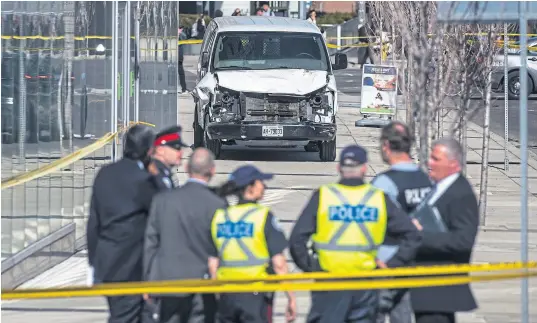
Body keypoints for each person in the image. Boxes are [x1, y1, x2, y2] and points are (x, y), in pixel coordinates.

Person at [289, 144, 422, 323]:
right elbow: (412, 235)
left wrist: (313, 267)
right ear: (365, 168)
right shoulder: (378, 198)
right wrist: (391, 264)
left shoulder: (323, 196)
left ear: (339, 168)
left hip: (329, 281)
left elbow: (296, 240)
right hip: (364, 284)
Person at [143, 147, 226, 323]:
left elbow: (150, 244)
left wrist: (147, 281)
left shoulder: (163, 201)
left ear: (187, 168)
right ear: (212, 170)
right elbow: (222, 248)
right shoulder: (218, 205)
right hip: (202, 284)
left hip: (168, 282)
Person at [86, 124, 157, 323]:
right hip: (132, 266)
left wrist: (94, 263)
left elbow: (94, 223)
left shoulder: (105, 174)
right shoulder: (144, 180)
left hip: (107, 262)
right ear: (148, 151)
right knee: (126, 316)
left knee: (125, 313)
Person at [210, 165, 297, 323]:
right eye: (260, 182)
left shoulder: (220, 217)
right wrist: (291, 297)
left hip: (226, 294)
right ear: (250, 187)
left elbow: (213, 263)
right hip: (255, 294)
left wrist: (217, 294)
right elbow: (279, 264)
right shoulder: (262, 217)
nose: (264, 186)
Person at [410, 138, 479, 323]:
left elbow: (463, 241)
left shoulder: (461, 194)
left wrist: (420, 236)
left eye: (436, 159)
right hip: (425, 287)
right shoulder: (439, 188)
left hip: (439, 290)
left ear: (453, 163)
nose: (429, 163)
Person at [371, 122, 433, 323]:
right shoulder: (426, 181)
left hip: (386, 262)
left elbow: (370, 225)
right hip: (415, 262)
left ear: (386, 145)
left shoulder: (383, 183)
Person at [147, 125, 189, 190]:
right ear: (160, 150)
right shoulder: (153, 176)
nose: (181, 152)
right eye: (177, 148)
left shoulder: (164, 173)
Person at [178, 26, 187, 93]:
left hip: (179, 57)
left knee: (181, 73)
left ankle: (183, 88)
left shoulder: (181, 35)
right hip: (172, 57)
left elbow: (184, 37)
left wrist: (179, 34)